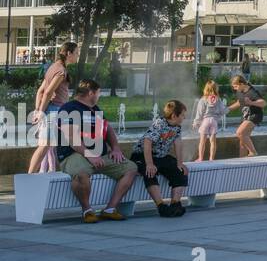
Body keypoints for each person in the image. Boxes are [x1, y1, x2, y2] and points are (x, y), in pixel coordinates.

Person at [56, 79, 138, 223]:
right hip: (73, 155)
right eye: (99, 93)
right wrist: (91, 156)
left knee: (131, 168)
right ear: (91, 93)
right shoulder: (68, 108)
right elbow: (71, 138)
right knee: (81, 174)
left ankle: (110, 209)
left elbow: (109, 129)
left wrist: (116, 148)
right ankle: (87, 211)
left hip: (99, 155)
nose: (99, 96)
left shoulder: (95, 109)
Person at [132, 99, 189, 217]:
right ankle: (161, 206)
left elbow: (178, 144)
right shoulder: (160, 124)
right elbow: (147, 142)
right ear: (174, 115)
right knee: (150, 172)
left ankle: (175, 204)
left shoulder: (177, 127)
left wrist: (180, 163)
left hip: (160, 156)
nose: (184, 117)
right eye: (183, 115)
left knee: (180, 171)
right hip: (143, 155)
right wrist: (149, 164)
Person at [27, 41, 77, 173]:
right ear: (68, 53)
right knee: (44, 146)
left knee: (50, 145)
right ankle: (30, 176)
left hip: (52, 110)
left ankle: (50, 172)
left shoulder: (53, 67)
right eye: (76, 53)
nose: (77, 56)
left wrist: (38, 110)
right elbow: (48, 92)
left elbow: (40, 91)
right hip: (54, 110)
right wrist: (41, 112)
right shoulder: (61, 71)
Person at [228, 74, 265, 156]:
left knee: (240, 133)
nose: (234, 89)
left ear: (241, 84)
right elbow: (239, 102)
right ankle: (243, 162)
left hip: (255, 115)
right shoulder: (239, 92)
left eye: (235, 86)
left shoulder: (252, 92)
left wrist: (251, 102)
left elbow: (263, 103)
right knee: (243, 141)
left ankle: (253, 152)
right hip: (246, 116)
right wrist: (227, 109)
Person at [190, 80, 224, 163]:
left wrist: (196, 122)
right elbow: (222, 111)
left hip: (205, 121)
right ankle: (211, 158)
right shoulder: (218, 100)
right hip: (214, 122)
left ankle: (200, 158)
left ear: (205, 89)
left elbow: (199, 113)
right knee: (213, 141)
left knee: (202, 141)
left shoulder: (203, 99)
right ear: (216, 89)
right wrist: (217, 118)